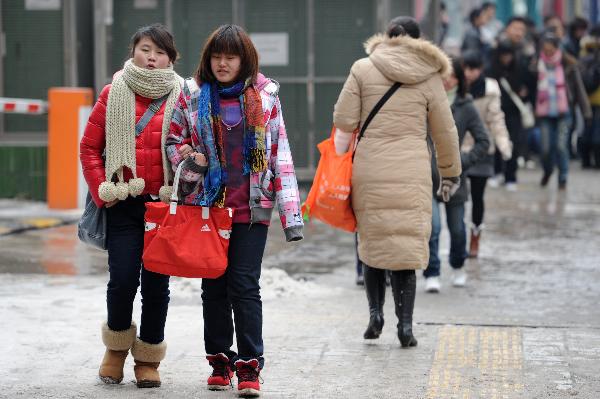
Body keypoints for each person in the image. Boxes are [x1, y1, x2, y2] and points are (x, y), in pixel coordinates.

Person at [166, 24, 303, 397]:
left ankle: (249, 366)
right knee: (213, 286)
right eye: (217, 56)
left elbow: (280, 154)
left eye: (231, 57)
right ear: (208, 59)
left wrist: (291, 215)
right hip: (207, 208)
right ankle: (219, 359)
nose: (223, 63)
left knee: (244, 286)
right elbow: (174, 139)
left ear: (244, 60)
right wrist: (189, 158)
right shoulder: (192, 95)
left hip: (251, 208)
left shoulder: (267, 96)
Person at [333, 16, 462, 347]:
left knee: (373, 243)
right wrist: (450, 173)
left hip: (370, 169)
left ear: (387, 37)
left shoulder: (363, 68)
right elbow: (445, 132)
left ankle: (376, 315)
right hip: (412, 171)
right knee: (405, 247)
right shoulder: (431, 77)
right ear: (420, 41)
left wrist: (340, 153)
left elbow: (344, 120)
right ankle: (405, 327)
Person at [79, 24, 182, 388]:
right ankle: (116, 350)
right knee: (122, 281)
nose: (152, 58)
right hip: (123, 203)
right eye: (145, 49)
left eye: (160, 52)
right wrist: (101, 189)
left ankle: (149, 357)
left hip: (164, 209)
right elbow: (88, 148)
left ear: (171, 58)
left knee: (157, 287)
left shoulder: (184, 96)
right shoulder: (113, 92)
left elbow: (192, 146)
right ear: (133, 50)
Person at [424, 58, 489, 292]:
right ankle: (432, 271)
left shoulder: (466, 106)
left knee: (458, 229)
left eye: (452, 76)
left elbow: (483, 141)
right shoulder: (424, 102)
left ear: (460, 80)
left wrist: (464, 161)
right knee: (433, 227)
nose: (447, 81)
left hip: (454, 179)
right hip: (427, 178)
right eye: (443, 76)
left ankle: (458, 266)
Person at [462, 50, 512, 259]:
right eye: (466, 68)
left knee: (478, 197)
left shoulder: (490, 89)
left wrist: (503, 143)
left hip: (482, 149)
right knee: (455, 198)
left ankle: (475, 236)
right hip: (458, 149)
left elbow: (496, 118)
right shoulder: (454, 85)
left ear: (480, 69)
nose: (469, 73)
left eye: (473, 69)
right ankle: (458, 238)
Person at [537, 32, 591, 189]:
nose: (547, 53)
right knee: (546, 148)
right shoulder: (536, 65)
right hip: (544, 113)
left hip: (564, 112)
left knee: (561, 145)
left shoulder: (568, 65)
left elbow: (579, 90)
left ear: (557, 48)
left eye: (550, 50)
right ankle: (547, 171)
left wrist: (586, 111)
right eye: (545, 50)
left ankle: (563, 177)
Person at [488, 40, 530, 191]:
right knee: (497, 142)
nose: (507, 59)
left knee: (513, 143)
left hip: (514, 112)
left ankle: (511, 176)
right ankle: (497, 172)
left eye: (509, 55)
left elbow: (527, 88)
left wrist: (524, 94)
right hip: (496, 111)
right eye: (504, 56)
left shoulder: (519, 69)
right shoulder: (492, 70)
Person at [580, 26, 600, 168]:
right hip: (590, 99)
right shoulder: (588, 53)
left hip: (591, 99)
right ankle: (588, 161)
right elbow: (584, 79)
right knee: (590, 133)